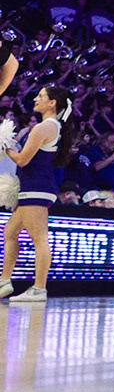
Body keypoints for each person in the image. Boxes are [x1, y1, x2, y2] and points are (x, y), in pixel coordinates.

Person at [0, 85, 74, 302]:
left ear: (52, 103)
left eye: (40, 96)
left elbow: (23, 159)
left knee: (39, 239)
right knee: (10, 232)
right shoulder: (49, 126)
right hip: (32, 187)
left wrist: (5, 147)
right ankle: (4, 281)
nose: (35, 99)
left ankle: (39, 289)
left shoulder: (44, 127)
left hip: (37, 189)